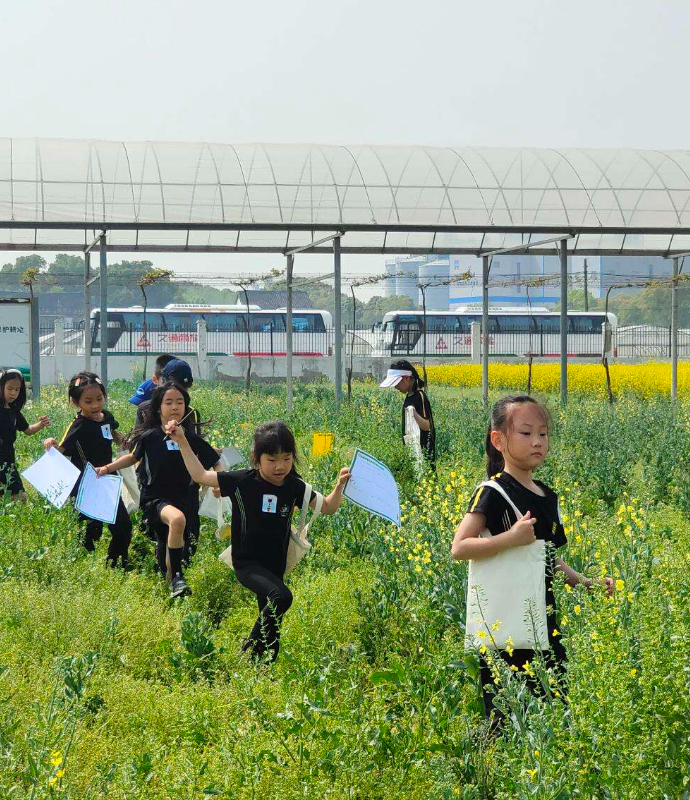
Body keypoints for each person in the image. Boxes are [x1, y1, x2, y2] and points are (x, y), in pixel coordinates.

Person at [451, 394, 613, 728]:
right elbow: (459, 547)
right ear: (499, 440)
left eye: (543, 434)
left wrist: (586, 583)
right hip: (506, 621)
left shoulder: (546, 495)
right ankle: (493, 775)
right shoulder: (493, 492)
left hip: (543, 618)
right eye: (526, 433)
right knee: (505, 711)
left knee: (555, 702)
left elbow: (547, 558)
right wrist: (510, 538)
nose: (537, 441)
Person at [165, 418, 350, 663]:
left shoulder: (295, 487)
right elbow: (200, 475)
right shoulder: (243, 481)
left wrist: (339, 486)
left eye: (286, 458)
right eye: (271, 460)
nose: (280, 466)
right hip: (247, 563)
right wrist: (182, 441)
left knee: (273, 629)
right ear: (257, 457)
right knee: (282, 597)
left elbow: (327, 507)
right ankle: (246, 652)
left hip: (275, 566)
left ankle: (263, 667)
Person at [98, 382, 220, 599]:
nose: (175, 407)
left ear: (187, 407)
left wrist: (219, 484)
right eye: (169, 402)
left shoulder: (189, 438)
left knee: (178, 548)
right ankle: (177, 578)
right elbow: (132, 457)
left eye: (180, 402)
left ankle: (170, 590)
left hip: (187, 498)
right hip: (156, 499)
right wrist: (107, 468)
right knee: (177, 521)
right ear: (158, 408)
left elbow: (215, 460)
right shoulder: (150, 436)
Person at [42, 372, 131, 567]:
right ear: (76, 402)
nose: (96, 405)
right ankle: (83, 567)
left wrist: (123, 441)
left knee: (123, 525)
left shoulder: (107, 417)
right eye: (88, 401)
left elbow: (113, 432)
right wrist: (51, 443)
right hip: (85, 483)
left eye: (99, 399)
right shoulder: (78, 426)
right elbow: (61, 450)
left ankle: (116, 565)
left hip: (107, 476)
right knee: (92, 529)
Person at [0, 368, 50, 499]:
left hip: (8, 459)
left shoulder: (14, 411)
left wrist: (41, 424)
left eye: (17, 390)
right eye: (10, 388)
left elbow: (28, 430)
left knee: (21, 497)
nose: (13, 393)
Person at [379, 360, 435, 462]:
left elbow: (427, 426)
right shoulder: (409, 396)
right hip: (413, 450)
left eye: (397, 383)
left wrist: (413, 414)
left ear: (406, 378)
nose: (395, 387)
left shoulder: (420, 396)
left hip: (423, 453)